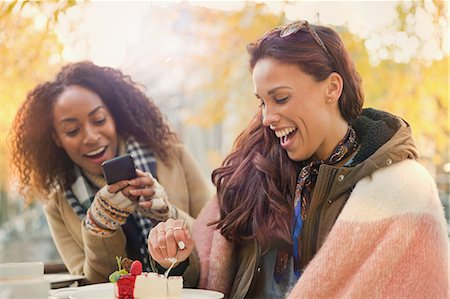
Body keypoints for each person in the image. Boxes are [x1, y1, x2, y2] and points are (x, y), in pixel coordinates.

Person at [148, 20, 449, 298]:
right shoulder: (250, 173)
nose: (266, 118)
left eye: (280, 98)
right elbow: (206, 277)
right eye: (262, 102)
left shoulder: (403, 189)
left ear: (332, 87)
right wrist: (177, 258)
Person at [10, 61, 213, 284]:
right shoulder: (57, 203)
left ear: (114, 117)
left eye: (99, 120)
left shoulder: (173, 157)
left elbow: (216, 237)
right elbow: (91, 283)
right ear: (57, 138)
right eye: (72, 130)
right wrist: (100, 227)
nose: (90, 136)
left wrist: (166, 212)